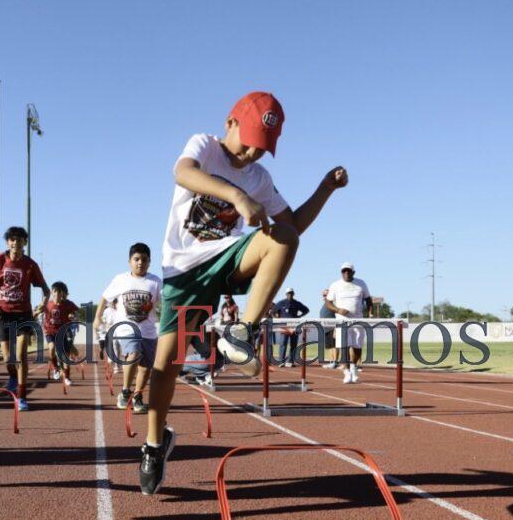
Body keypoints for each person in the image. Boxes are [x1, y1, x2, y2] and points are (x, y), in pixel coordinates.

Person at [140, 91, 349, 495]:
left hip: (227, 259)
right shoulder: (204, 146)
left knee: (284, 237)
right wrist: (236, 196)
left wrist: (325, 189)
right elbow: (182, 172)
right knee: (166, 367)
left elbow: (291, 227)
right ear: (230, 123)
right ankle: (154, 442)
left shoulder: (260, 178)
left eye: (263, 147)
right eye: (250, 140)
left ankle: (243, 331)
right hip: (184, 272)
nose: (254, 152)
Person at [0, 226, 49, 411]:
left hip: (23, 314)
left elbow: (45, 289)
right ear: (7, 242)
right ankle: (12, 375)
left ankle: (22, 396)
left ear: (25, 242)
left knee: (21, 355)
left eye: (19, 239)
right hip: (3, 313)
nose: (15, 243)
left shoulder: (30, 264)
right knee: (7, 358)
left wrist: (43, 304)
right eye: (12, 239)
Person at [94, 242, 162, 414]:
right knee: (134, 353)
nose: (140, 263)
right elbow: (105, 297)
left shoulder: (155, 282)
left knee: (146, 367)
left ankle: (137, 396)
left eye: (144, 259)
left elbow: (166, 302)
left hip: (148, 330)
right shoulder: (121, 279)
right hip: (126, 328)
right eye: (136, 259)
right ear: (129, 261)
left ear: (149, 262)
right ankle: (125, 392)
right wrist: (97, 317)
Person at [325, 262, 372, 384]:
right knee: (344, 347)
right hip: (342, 320)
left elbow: (368, 299)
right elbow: (328, 303)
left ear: (353, 272)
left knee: (357, 347)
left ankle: (353, 367)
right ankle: (346, 372)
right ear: (341, 273)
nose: (346, 273)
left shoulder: (361, 283)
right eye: (344, 271)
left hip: (358, 320)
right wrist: (338, 310)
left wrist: (370, 313)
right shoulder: (335, 285)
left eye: (348, 271)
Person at [36, 281, 80, 385]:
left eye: (59, 292)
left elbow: (77, 313)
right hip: (50, 332)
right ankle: (55, 368)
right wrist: (35, 313)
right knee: (51, 348)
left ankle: (67, 377)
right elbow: (37, 311)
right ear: (52, 293)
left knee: (66, 357)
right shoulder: (47, 304)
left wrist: (73, 316)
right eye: (54, 292)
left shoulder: (68, 304)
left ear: (62, 294)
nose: (56, 294)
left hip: (63, 332)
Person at [271, 287, 310, 367]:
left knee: (293, 344)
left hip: (294, 325)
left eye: (291, 293)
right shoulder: (281, 303)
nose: (290, 294)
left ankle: (290, 361)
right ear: (286, 294)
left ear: (293, 294)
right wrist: (277, 319)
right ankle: (281, 361)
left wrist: (299, 316)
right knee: (283, 343)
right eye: (289, 293)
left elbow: (306, 310)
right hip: (284, 326)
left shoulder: (296, 303)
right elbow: (272, 311)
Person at [319, 288, 338, 368]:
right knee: (329, 346)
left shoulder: (333, 304)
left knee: (334, 345)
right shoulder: (325, 304)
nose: (324, 296)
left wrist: (336, 328)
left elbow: (338, 315)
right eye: (323, 295)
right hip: (326, 328)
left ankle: (335, 362)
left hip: (332, 328)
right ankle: (331, 362)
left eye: (326, 295)